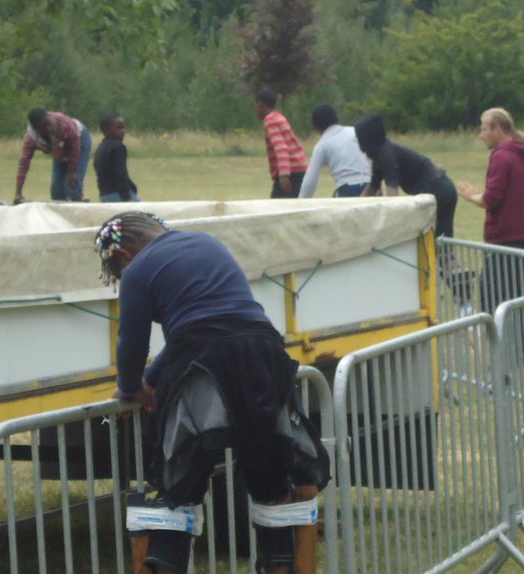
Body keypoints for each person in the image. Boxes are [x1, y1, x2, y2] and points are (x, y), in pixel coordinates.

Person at [94, 212, 329, 574]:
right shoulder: (205, 242)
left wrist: (130, 389)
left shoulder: (139, 270)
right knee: (269, 474)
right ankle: (280, 564)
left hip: (205, 360)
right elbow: (207, 318)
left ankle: (168, 558)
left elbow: (132, 343)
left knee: (180, 481)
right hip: (263, 349)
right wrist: (152, 379)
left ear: (123, 256)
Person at [456, 107, 524, 314]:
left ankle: (501, 345)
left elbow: (491, 199)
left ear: (498, 129)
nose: (481, 135)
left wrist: (471, 197)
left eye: (484, 129)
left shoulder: (501, 157)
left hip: (502, 243)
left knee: (493, 301)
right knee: (521, 301)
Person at [353, 115, 458, 238]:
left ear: (365, 139)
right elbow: (373, 186)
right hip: (444, 188)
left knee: (429, 240)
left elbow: (393, 195)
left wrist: (391, 218)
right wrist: (354, 208)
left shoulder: (386, 154)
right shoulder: (381, 153)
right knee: (441, 242)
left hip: (436, 190)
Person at [13, 108, 92, 204]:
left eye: (49, 122)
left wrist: (71, 171)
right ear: (36, 128)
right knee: (56, 190)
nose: (50, 127)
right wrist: (18, 192)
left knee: (72, 186)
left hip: (80, 139)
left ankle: (80, 205)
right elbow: (24, 164)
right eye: (45, 125)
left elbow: (75, 147)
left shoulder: (64, 124)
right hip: (58, 148)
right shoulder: (31, 140)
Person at [298, 105, 371, 198]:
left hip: (346, 187)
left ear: (316, 127)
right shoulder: (354, 131)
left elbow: (310, 182)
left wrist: (301, 202)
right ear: (337, 119)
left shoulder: (322, 145)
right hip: (370, 185)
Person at [255, 88, 308, 199]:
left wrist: (284, 175)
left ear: (261, 105)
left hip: (291, 172)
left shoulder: (270, 120)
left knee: (277, 209)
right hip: (300, 167)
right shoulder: (280, 117)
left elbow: (281, 147)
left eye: (256, 106)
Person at [93, 114, 141, 202]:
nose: (123, 131)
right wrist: (127, 197)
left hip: (105, 195)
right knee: (147, 215)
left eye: (123, 128)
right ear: (106, 131)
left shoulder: (101, 147)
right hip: (119, 195)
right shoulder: (118, 147)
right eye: (119, 128)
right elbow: (120, 174)